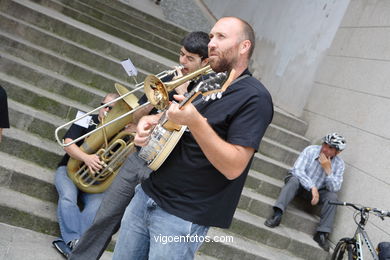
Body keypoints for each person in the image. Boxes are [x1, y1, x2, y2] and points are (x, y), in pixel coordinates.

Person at [112, 16, 274, 260]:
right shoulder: (208, 82)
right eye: (211, 37)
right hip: (147, 194)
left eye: (221, 37)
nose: (211, 43)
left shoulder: (255, 98)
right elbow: (179, 124)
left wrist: (196, 121)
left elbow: (234, 167)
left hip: (182, 216)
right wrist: (152, 123)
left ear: (244, 46)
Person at [69, 31, 210, 260]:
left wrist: (183, 96)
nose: (182, 62)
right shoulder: (167, 79)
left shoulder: (207, 89)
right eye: (181, 54)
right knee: (105, 215)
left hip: (165, 167)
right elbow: (136, 118)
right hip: (139, 158)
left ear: (205, 62)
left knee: (138, 229)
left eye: (190, 58)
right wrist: (154, 100)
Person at [52, 93, 119, 258]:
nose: (107, 110)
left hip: (95, 180)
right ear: (100, 104)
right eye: (105, 105)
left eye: (112, 108)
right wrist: (86, 158)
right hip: (69, 171)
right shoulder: (85, 118)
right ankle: (75, 242)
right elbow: (67, 143)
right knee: (68, 197)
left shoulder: (120, 129)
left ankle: (73, 246)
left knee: (97, 208)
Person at [264, 132, 346, 252]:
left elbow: (335, 187)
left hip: (318, 193)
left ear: (337, 152)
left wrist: (328, 170)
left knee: (332, 196)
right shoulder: (311, 150)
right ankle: (277, 214)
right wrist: (312, 187)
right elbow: (297, 170)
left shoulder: (339, 165)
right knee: (293, 180)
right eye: (325, 144)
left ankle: (321, 233)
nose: (324, 148)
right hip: (300, 186)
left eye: (330, 148)